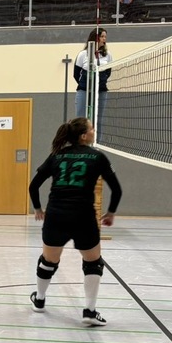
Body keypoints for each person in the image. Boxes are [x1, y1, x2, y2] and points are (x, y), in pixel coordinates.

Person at [28, 117, 122, 326]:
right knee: (93, 262)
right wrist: (110, 213)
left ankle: (40, 300)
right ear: (84, 135)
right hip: (83, 216)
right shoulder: (97, 157)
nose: (94, 130)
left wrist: (38, 208)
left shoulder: (56, 155)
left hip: (56, 215)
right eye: (92, 128)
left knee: (48, 261)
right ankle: (90, 312)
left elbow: (33, 186)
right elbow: (116, 189)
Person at [73, 28, 113, 127]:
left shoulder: (108, 55)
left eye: (105, 37)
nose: (104, 39)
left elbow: (108, 73)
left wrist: (100, 81)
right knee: (81, 120)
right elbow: (76, 74)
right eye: (102, 36)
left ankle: (96, 137)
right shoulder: (83, 54)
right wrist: (86, 84)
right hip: (84, 89)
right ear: (95, 37)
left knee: (98, 121)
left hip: (101, 90)